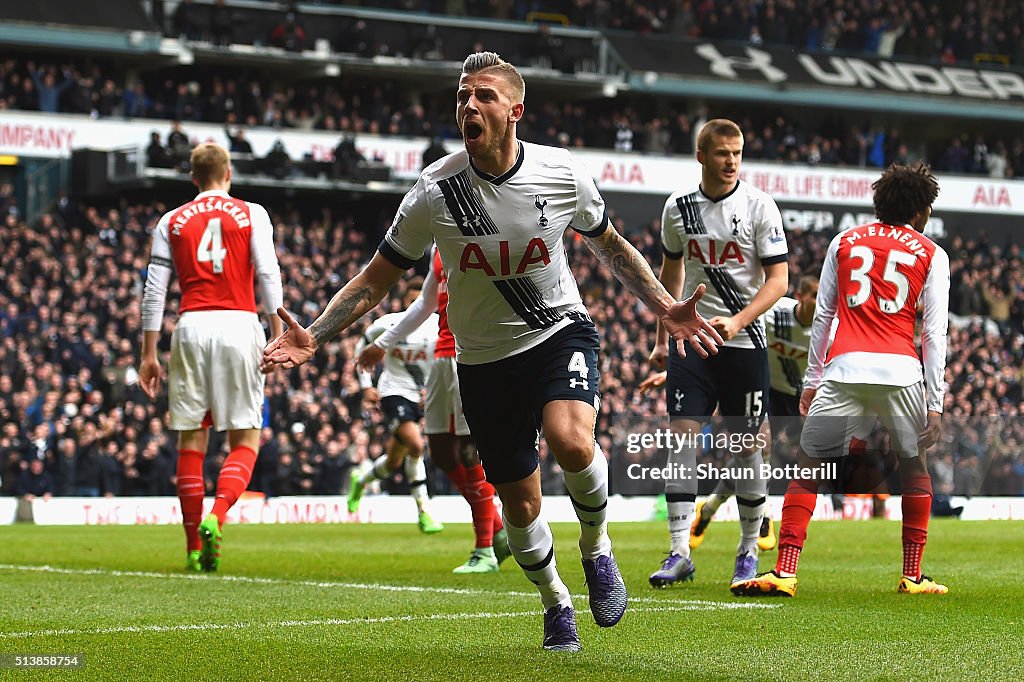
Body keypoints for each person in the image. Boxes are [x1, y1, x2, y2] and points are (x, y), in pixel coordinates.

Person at [262, 51, 722, 652]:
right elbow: (378, 280)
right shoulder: (435, 189)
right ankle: (556, 601)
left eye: (482, 95)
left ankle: (597, 547)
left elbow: (611, 248)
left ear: (515, 110)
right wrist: (315, 335)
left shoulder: (561, 174)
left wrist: (666, 304)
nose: (468, 106)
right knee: (520, 501)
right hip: (481, 361)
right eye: (461, 96)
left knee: (573, 440)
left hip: (559, 331)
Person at [732, 162, 950, 597]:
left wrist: (811, 382)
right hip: (900, 371)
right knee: (914, 467)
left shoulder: (844, 242)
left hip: (844, 368)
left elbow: (824, 317)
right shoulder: (931, 253)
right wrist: (935, 402)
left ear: (879, 203)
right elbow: (932, 332)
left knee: (809, 464)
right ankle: (913, 575)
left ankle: (785, 571)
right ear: (922, 211)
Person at [647, 118, 788, 592]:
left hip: (745, 344)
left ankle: (748, 551)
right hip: (693, 343)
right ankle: (678, 552)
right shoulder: (678, 209)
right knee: (682, 436)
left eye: (737, 153)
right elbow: (671, 274)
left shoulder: (759, 207)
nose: (731, 161)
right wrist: (664, 328)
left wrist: (740, 320)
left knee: (743, 448)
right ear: (702, 156)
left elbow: (779, 281)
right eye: (723, 153)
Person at [139, 143, 283, 573]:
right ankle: (216, 517)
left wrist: (148, 352)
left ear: (192, 178)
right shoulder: (252, 212)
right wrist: (277, 333)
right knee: (244, 438)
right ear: (229, 173)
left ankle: (191, 548)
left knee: (191, 439)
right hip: (240, 324)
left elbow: (154, 290)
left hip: (190, 326)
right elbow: (268, 271)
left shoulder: (171, 220)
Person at [357, 245, 511, 574]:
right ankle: (497, 530)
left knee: (471, 453)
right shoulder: (439, 247)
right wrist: (382, 345)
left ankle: (484, 549)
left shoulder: (486, 235)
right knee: (441, 452)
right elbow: (425, 304)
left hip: (470, 354)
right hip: (442, 361)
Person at [688, 275, 822, 552]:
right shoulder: (774, 313)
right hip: (764, 387)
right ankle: (764, 514)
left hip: (797, 397)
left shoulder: (827, 329)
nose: (819, 303)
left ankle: (708, 508)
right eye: (814, 295)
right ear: (801, 295)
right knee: (762, 447)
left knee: (744, 461)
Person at [348, 277, 445, 534]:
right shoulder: (390, 324)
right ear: (404, 302)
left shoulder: (439, 327)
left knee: (393, 462)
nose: (416, 305)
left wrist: (436, 388)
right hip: (393, 392)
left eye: (421, 300)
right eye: (411, 301)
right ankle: (424, 511)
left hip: (423, 396)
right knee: (416, 445)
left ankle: (362, 479)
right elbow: (362, 346)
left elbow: (448, 359)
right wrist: (366, 385)